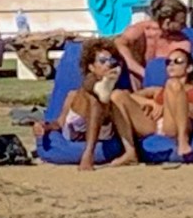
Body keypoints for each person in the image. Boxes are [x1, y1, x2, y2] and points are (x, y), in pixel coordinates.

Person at [56, 41, 142, 171]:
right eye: (102, 61)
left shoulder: (117, 96)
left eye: (110, 61)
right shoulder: (73, 95)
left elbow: (133, 99)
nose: (108, 64)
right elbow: (60, 122)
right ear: (91, 66)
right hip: (75, 131)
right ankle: (98, 87)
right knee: (90, 93)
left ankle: (88, 154)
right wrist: (45, 127)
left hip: (103, 130)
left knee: (101, 99)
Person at [113, 0, 193, 81]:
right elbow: (119, 43)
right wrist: (142, 72)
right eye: (181, 23)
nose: (185, 26)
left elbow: (179, 69)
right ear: (167, 22)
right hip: (137, 78)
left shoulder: (182, 41)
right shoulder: (142, 29)